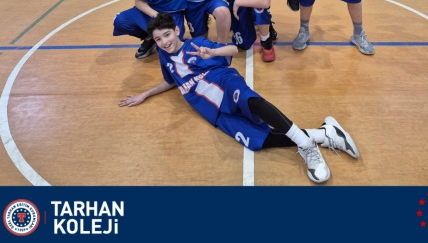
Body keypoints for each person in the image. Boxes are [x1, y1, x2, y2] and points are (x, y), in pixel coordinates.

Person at [118, 12, 360, 184]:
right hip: (211, 109)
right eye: (158, 39)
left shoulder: (196, 44)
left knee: (250, 101)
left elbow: (233, 50)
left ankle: (306, 146)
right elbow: (172, 81)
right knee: (256, 140)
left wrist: (212, 52)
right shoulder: (165, 58)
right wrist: (145, 94)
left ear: (177, 30)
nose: (164, 42)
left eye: (167, 35)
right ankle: (323, 134)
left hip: (222, 80)